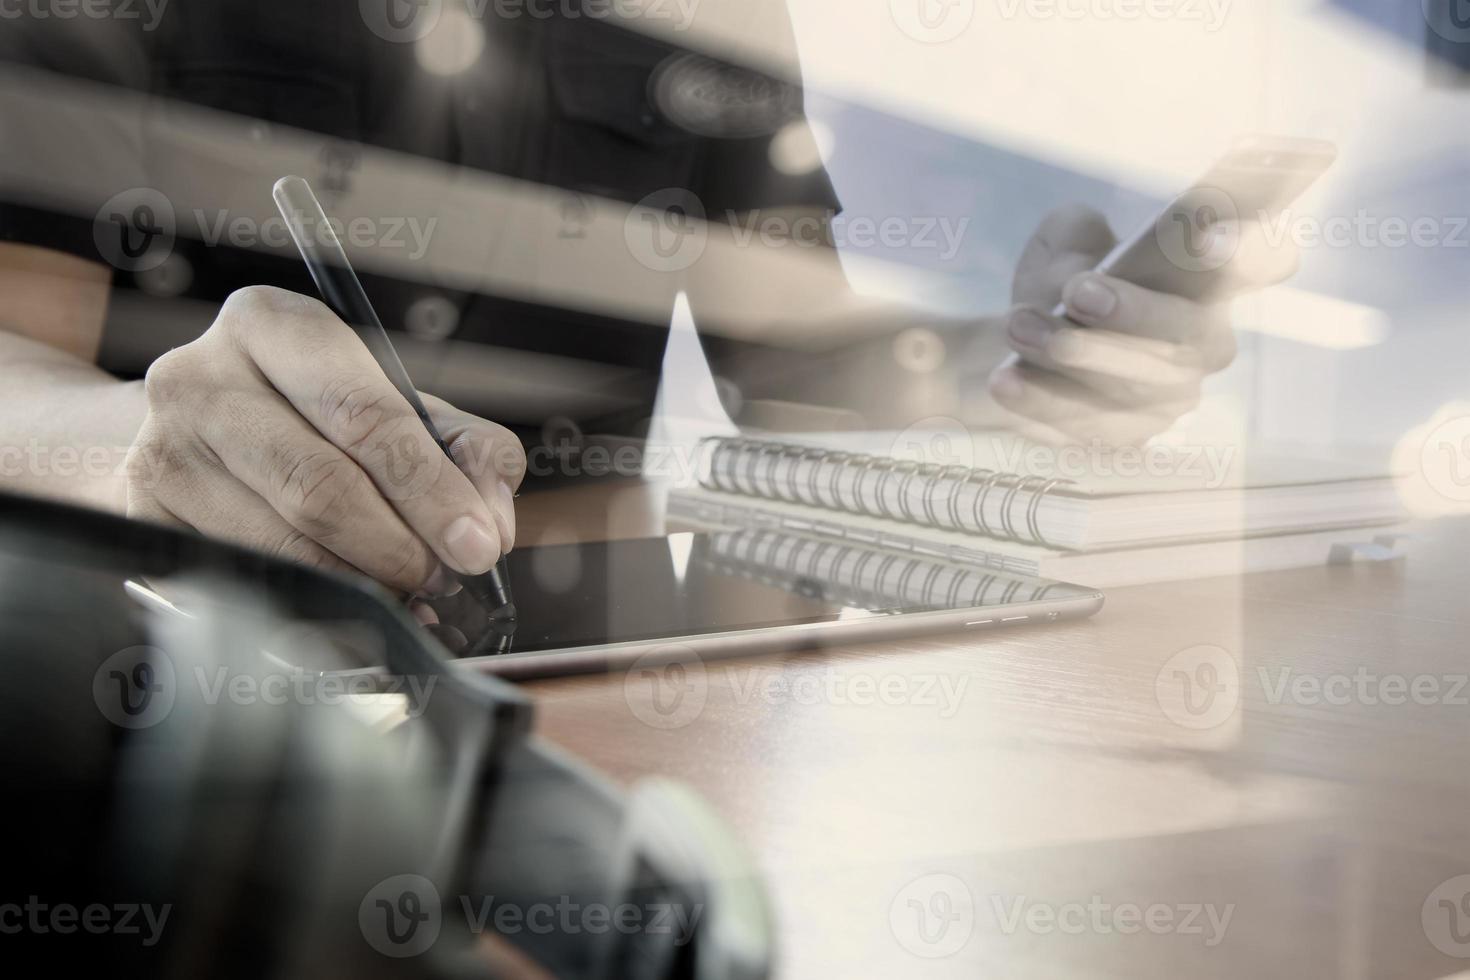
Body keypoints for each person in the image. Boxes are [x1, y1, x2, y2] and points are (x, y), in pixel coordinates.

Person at [0, 1, 1294, 599]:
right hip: (187, 651)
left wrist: (1013, 365)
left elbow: (792, 372)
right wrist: (137, 448)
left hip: (603, 675)